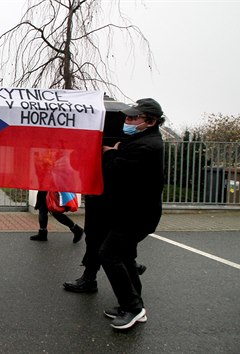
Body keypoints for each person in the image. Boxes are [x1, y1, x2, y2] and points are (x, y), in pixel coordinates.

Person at [98, 98, 165, 330]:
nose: (127, 121)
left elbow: (117, 173)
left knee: (108, 254)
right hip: (131, 212)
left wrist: (109, 154)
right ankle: (133, 305)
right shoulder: (138, 139)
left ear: (150, 121)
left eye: (134, 118)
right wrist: (116, 151)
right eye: (127, 117)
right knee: (125, 257)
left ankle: (134, 308)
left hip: (137, 215)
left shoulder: (147, 146)